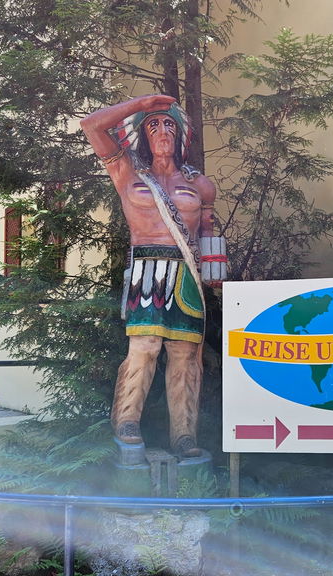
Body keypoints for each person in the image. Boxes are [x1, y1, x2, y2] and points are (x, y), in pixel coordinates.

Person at [81, 94, 226, 458]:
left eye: (169, 124)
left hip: (185, 274)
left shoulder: (200, 184)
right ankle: (127, 421)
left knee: (186, 354)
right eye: (154, 125)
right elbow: (91, 125)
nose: (162, 131)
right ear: (143, 134)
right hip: (146, 271)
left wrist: (216, 269)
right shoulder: (126, 172)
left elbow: (207, 231)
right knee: (144, 348)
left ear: (180, 135)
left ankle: (185, 434)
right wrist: (141, 104)